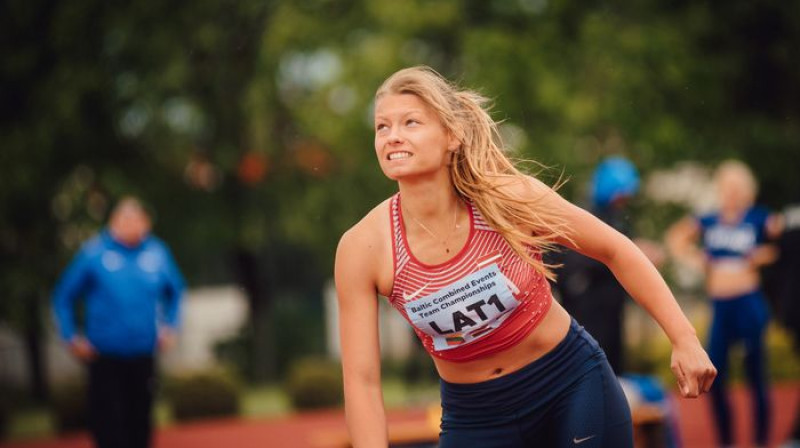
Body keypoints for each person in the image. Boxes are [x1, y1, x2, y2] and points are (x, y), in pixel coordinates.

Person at [334, 66, 716, 448]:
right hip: (475, 416)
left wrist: (684, 338)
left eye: (410, 122)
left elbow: (616, 249)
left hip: (570, 386)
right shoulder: (363, 248)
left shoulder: (509, 198)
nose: (392, 137)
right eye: (382, 127)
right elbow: (362, 381)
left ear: (452, 135)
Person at [52, 197, 185, 448]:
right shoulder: (94, 253)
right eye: (126, 218)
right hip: (105, 355)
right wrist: (70, 335)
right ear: (114, 222)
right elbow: (63, 296)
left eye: (137, 219)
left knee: (141, 421)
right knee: (109, 424)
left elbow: (175, 292)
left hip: (143, 352)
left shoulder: (157, 252)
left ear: (146, 223)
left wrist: (171, 325)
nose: (132, 224)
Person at [666, 160, 778, 448]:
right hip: (720, 306)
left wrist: (762, 256)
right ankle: (726, 441)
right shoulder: (709, 220)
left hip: (749, 302)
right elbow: (675, 238)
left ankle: (762, 441)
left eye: (737, 188)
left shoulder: (758, 218)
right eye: (727, 187)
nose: (731, 193)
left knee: (757, 374)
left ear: (747, 190)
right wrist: (696, 258)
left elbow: (781, 245)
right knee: (715, 374)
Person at [551, 156, 641, 374]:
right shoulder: (587, 216)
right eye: (620, 193)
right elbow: (571, 264)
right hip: (587, 309)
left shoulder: (617, 217)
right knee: (591, 364)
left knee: (614, 367)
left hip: (611, 307)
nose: (623, 199)